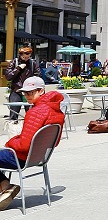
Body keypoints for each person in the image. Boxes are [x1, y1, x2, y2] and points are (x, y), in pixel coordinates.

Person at [0, 77, 65, 210]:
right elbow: (55, 142)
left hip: (22, 158)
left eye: (31, 92)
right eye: (25, 92)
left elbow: (24, 145)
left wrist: (10, 142)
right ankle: (5, 186)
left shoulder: (34, 112)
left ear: (41, 91)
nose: (27, 95)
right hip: (40, 157)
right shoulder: (57, 111)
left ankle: (5, 185)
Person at [5, 46, 41, 122]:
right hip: (16, 90)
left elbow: (38, 75)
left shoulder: (32, 63)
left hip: (29, 91)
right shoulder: (14, 62)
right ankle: (13, 125)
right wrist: (18, 68)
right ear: (20, 55)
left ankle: (30, 126)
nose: (26, 59)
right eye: (24, 57)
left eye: (28, 57)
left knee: (31, 113)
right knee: (14, 112)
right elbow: (8, 76)